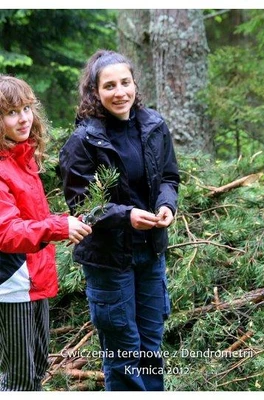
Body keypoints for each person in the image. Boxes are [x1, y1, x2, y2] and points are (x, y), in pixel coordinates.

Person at [59, 49, 180, 391]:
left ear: (134, 84)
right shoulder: (83, 141)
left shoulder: (154, 125)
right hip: (109, 260)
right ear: (95, 93)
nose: (120, 92)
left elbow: (170, 177)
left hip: (150, 252)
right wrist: (127, 217)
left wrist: (166, 205)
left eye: (125, 82)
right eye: (109, 86)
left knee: (151, 346)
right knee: (123, 351)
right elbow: (80, 204)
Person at [0, 75, 92, 391]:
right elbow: (6, 232)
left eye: (26, 108)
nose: (23, 118)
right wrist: (57, 226)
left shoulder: (22, 158)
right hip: (11, 285)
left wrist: (66, 222)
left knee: (36, 368)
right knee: (19, 380)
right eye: (11, 112)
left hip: (34, 279)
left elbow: (29, 218)